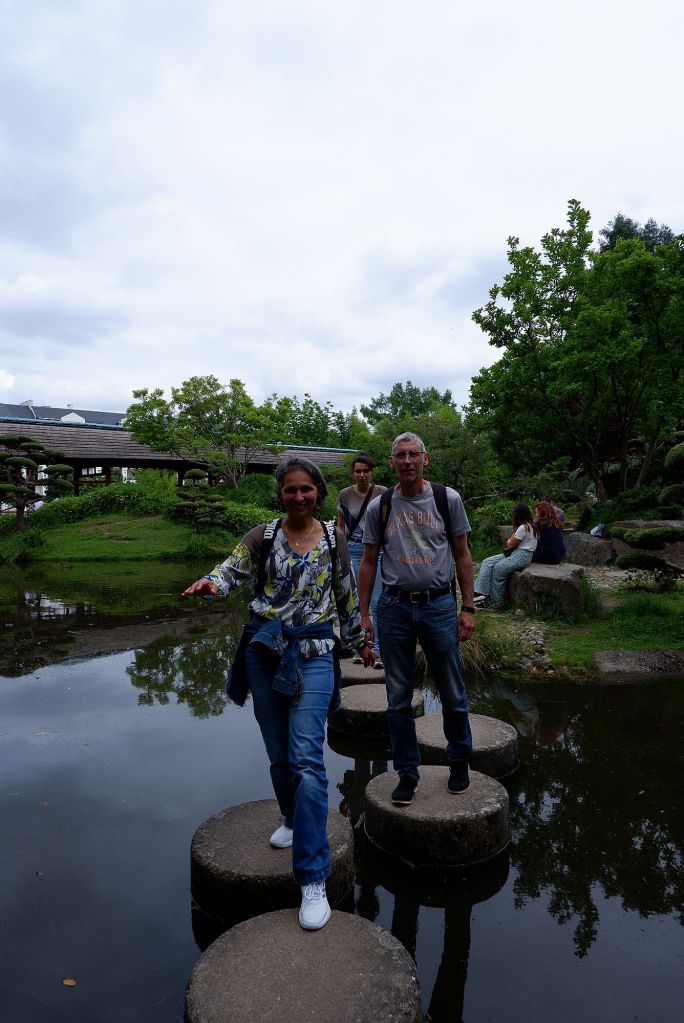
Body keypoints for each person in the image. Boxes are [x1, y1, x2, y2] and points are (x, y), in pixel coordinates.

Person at [182, 456, 373, 931]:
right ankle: (290, 816)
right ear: (280, 494)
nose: (299, 497)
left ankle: (312, 878)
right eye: (291, 490)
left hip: (315, 653)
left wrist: (359, 643)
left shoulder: (334, 538)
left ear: (319, 493)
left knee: (307, 759)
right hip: (265, 652)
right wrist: (212, 582)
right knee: (279, 754)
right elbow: (230, 570)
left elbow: (346, 593)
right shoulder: (262, 536)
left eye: (307, 489)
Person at [358, 432, 476, 807]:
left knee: (452, 691)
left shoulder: (447, 498)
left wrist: (468, 607)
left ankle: (459, 761)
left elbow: (462, 554)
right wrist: (363, 612)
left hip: (438, 605)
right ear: (392, 462)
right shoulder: (382, 504)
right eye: (400, 455)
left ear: (425, 458)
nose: (407, 461)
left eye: (413, 454)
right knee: (397, 698)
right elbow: (367, 560)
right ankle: (407, 772)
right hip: (392, 608)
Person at [336, 453, 386, 668]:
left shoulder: (382, 493)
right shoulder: (345, 494)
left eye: (366, 471)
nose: (362, 474)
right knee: (356, 602)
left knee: (377, 601)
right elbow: (341, 526)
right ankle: (360, 648)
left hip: (380, 550)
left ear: (371, 472)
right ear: (353, 472)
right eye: (358, 471)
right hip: (354, 549)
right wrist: (338, 551)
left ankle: (378, 650)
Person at [474, 503, 538, 609]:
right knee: (487, 561)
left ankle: (495, 603)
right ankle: (480, 592)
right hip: (516, 553)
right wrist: (512, 540)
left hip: (520, 556)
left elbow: (510, 543)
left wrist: (510, 540)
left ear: (518, 514)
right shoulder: (532, 526)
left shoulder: (524, 527)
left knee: (498, 569)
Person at [532, 500, 566, 564]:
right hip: (560, 556)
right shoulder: (556, 522)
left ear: (541, 512)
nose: (536, 515)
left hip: (549, 557)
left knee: (524, 554)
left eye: (536, 512)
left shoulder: (541, 524)